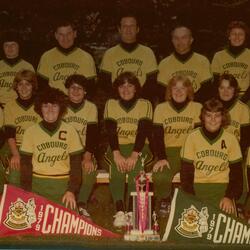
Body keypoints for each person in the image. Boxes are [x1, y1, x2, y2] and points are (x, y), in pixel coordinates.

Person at [20, 87, 83, 210]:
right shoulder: (30, 131)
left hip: (63, 186)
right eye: (45, 106)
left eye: (54, 106)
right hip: (38, 185)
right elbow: (26, 165)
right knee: (35, 223)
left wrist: (71, 191)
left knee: (69, 225)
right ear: (39, 109)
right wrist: (27, 191)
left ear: (61, 108)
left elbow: (76, 166)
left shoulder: (70, 131)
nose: (50, 110)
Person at [104, 71, 153, 228]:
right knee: (116, 167)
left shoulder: (145, 104)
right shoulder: (111, 104)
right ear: (117, 88)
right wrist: (116, 153)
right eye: (122, 85)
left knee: (135, 168)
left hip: (139, 147)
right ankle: (119, 211)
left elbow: (143, 130)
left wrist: (134, 154)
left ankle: (132, 212)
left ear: (136, 88)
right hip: (117, 146)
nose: (126, 89)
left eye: (130, 85)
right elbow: (110, 131)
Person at [180, 98, 243, 215]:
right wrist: (192, 199)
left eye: (217, 116)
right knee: (193, 228)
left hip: (223, 190)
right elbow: (185, 175)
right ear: (203, 117)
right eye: (209, 115)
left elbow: (237, 175)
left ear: (222, 118)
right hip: (197, 188)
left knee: (225, 230)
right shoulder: (192, 137)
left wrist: (229, 197)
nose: (213, 120)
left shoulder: (231, 139)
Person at [152, 75, 202, 217]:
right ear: (169, 91)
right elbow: (158, 136)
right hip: (169, 152)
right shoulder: (161, 108)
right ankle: (165, 199)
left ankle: (189, 203)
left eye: (183, 88)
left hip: (190, 151)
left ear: (189, 91)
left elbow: (198, 135)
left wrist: (195, 156)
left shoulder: (197, 107)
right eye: (175, 88)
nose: (179, 92)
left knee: (194, 174)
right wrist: (161, 157)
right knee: (161, 175)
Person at [99, 11, 158, 104]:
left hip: (141, 102)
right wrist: (121, 98)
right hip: (117, 102)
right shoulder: (109, 54)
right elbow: (105, 83)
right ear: (119, 29)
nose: (128, 29)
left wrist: (137, 99)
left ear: (137, 29)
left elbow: (152, 83)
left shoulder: (148, 52)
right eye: (125, 26)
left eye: (132, 26)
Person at [63, 74, 98, 218]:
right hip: (63, 150)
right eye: (72, 87)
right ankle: (64, 202)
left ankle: (82, 204)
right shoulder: (60, 105)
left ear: (85, 91)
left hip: (83, 150)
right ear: (67, 90)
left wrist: (88, 156)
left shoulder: (90, 107)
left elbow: (92, 134)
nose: (76, 91)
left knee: (89, 170)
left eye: (80, 88)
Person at [37, 18, 96, 99]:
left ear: (75, 34)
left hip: (78, 105)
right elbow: (42, 86)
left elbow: (91, 89)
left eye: (69, 34)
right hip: (55, 106)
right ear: (56, 36)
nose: (65, 38)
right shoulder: (46, 57)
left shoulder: (86, 57)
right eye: (61, 35)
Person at [157, 25, 213, 103]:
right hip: (173, 107)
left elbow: (206, 91)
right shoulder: (164, 63)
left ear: (191, 40)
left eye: (184, 38)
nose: (180, 41)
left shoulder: (203, 61)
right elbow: (162, 92)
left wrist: (189, 104)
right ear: (172, 40)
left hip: (196, 106)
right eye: (176, 38)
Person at [4, 69, 40, 187]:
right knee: (15, 172)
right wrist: (15, 154)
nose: (24, 88)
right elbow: (10, 134)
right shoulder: (10, 106)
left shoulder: (40, 104)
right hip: (17, 145)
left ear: (33, 86)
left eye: (27, 84)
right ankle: (16, 202)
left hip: (37, 146)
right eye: (20, 84)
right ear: (16, 87)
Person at [211, 21, 250, 103]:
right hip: (224, 96)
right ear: (229, 36)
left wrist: (243, 100)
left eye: (241, 34)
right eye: (234, 34)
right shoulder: (218, 55)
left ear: (245, 37)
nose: (237, 37)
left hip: (246, 96)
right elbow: (215, 82)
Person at [0, 30, 34, 106]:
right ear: (2, 47)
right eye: (6, 45)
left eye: (13, 45)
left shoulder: (27, 66)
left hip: (20, 106)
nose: (10, 48)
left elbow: (34, 90)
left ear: (19, 46)